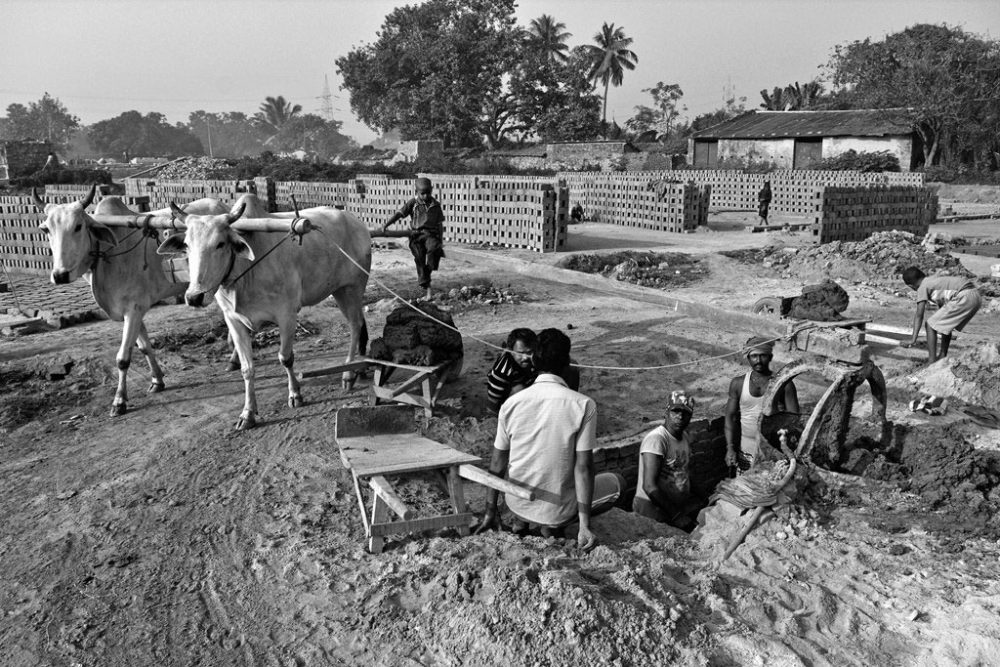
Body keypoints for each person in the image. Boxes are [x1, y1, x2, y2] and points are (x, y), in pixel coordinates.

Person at [475, 328, 623, 549]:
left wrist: (490, 511)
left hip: (516, 503)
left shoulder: (511, 404)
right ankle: (553, 527)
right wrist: (584, 526)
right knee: (618, 482)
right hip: (557, 513)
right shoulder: (584, 405)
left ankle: (522, 522)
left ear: (534, 359)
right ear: (567, 363)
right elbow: (583, 469)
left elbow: (497, 463)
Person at [725, 336, 799, 474]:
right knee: (745, 491)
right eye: (754, 356)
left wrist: (786, 451)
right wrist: (730, 448)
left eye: (763, 356)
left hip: (773, 456)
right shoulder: (738, 383)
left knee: (769, 492)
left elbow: (794, 421)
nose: (758, 360)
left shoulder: (784, 384)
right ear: (747, 357)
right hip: (745, 454)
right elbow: (730, 417)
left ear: (770, 356)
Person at [632, 390, 698, 530]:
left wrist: (705, 497)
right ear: (666, 413)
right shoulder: (657, 440)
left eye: (685, 413)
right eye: (676, 411)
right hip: (653, 513)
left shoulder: (684, 437)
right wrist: (676, 515)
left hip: (672, 510)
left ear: (690, 416)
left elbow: (684, 471)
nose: (680, 416)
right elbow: (649, 486)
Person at [900, 267, 982, 363]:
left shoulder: (923, 287)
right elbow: (944, 324)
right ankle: (942, 356)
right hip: (975, 295)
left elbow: (919, 315)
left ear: (911, 286)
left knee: (930, 325)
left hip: (964, 296)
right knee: (944, 326)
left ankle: (931, 361)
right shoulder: (934, 281)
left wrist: (913, 339)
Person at [381, 177, 445, 301]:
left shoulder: (435, 205)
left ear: (431, 191)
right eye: (422, 193)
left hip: (430, 235)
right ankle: (424, 281)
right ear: (416, 192)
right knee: (419, 257)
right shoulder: (413, 203)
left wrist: (440, 240)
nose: (426, 196)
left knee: (434, 249)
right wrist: (386, 224)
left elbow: (439, 224)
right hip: (416, 235)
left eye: (428, 193)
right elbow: (399, 214)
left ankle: (427, 272)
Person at [485, 328, 538, 414]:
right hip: (511, 405)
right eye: (520, 353)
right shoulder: (502, 372)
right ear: (510, 351)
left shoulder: (538, 357)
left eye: (529, 352)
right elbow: (491, 408)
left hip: (532, 391)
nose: (525, 357)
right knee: (519, 390)